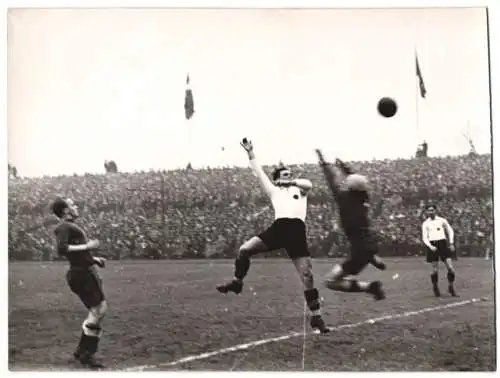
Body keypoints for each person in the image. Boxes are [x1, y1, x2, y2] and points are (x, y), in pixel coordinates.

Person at [217, 138, 330, 333]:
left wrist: (291, 180)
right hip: (278, 229)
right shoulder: (274, 191)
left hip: (296, 232)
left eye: (290, 175)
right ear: (278, 177)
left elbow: (309, 184)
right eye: (285, 175)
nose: (289, 177)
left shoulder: (299, 190)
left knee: (307, 276)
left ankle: (316, 317)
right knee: (244, 250)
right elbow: (259, 173)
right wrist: (250, 153)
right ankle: (237, 282)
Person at [315, 149, 386, 300]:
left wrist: (323, 162)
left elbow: (331, 181)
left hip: (359, 249)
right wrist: (344, 168)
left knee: (330, 281)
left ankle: (370, 287)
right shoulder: (363, 198)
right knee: (362, 247)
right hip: (367, 243)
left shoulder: (344, 199)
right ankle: (372, 257)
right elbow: (355, 179)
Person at [52, 197, 107, 369]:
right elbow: (62, 249)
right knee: (98, 310)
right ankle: (86, 353)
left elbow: (75, 252)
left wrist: (94, 259)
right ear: (66, 210)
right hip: (81, 274)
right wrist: (88, 247)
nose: (76, 206)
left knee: (97, 310)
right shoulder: (63, 226)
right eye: (72, 205)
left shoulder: (69, 226)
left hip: (83, 271)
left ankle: (82, 351)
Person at [422, 204, 458, 297]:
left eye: (432, 210)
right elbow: (425, 238)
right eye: (429, 210)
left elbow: (450, 231)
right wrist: (430, 246)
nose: (431, 212)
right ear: (426, 212)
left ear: (435, 211)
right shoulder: (425, 223)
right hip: (432, 245)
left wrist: (451, 243)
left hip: (442, 244)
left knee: (450, 268)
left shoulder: (442, 220)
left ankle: (450, 287)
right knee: (434, 270)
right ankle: (435, 287)